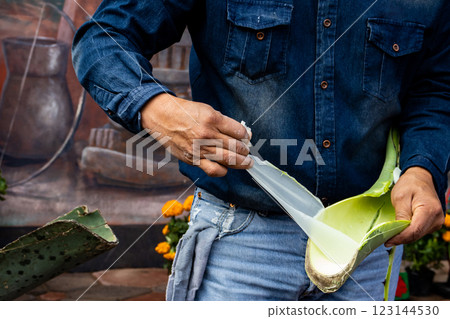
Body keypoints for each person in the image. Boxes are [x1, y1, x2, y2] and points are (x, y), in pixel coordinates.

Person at [72, 0, 449, 300]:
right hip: (241, 245)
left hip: (366, 246)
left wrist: (423, 168)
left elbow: (436, 88)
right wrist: (155, 107)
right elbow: (103, 36)